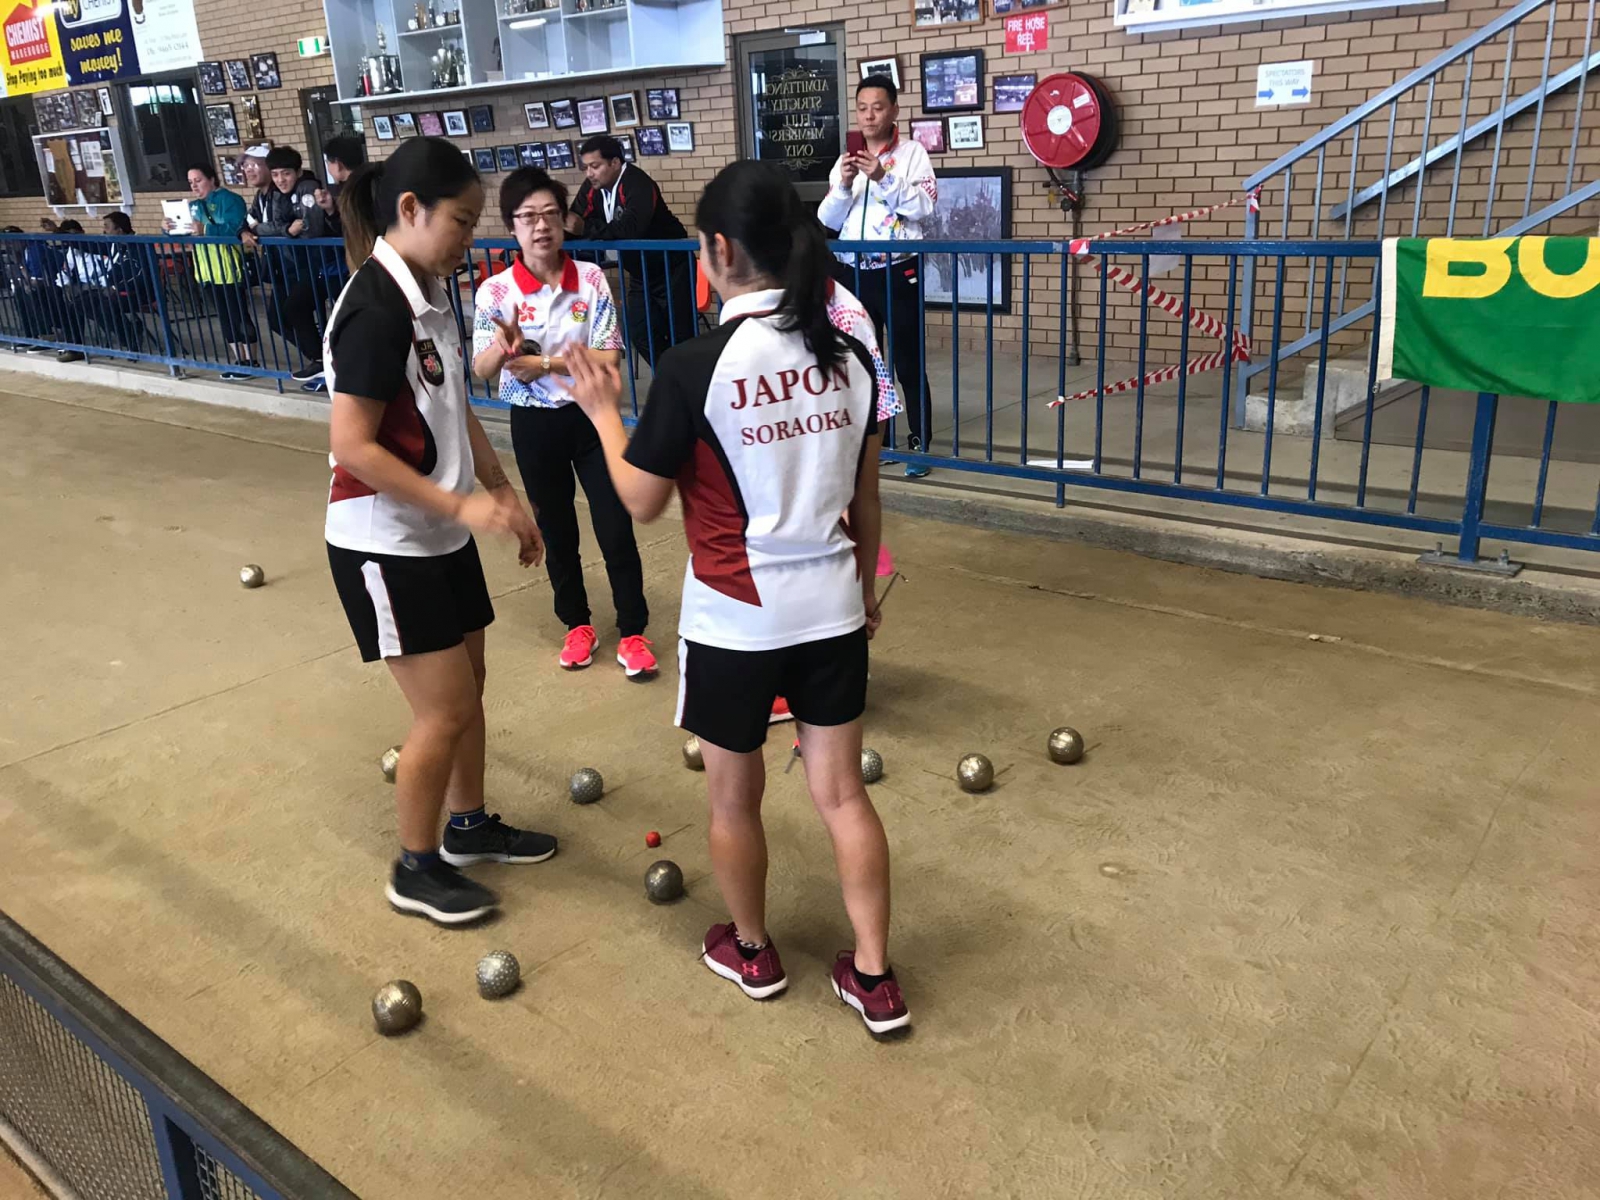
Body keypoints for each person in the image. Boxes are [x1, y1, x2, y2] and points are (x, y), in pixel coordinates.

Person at [567, 160, 910, 1035]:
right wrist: (862, 592)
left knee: (733, 799)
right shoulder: (852, 357)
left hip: (735, 620)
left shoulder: (694, 367)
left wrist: (602, 411)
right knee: (844, 797)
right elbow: (867, 499)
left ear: (719, 250)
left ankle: (753, 951)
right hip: (832, 610)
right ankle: (875, 978)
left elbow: (641, 502)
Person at [326, 136, 555, 926]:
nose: (469, 238)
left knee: (470, 691)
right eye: (461, 221)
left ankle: (469, 826)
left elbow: (451, 408)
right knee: (444, 711)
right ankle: (415, 868)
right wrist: (461, 508)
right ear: (410, 210)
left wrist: (501, 492)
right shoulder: (373, 309)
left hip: (438, 534)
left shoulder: (430, 295)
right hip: (383, 541)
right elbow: (352, 446)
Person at [472, 166, 656, 679]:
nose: (541, 226)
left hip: (591, 417)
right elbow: (482, 369)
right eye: (528, 216)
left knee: (615, 526)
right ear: (511, 225)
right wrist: (503, 347)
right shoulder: (495, 293)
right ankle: (576, 624)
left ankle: (634, 631)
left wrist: (546, 363)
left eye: (551, 214)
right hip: (534, 424)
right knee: (557, 530)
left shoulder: (590, 280)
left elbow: (609, 356)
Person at [817, 74, 938, 479]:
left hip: (899, 269)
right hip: (853, 271)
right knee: (864, 360)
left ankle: (920, 444)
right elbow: (828, 220)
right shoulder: (845, 161)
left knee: (907, 360)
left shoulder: (912, 154)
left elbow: (924, 208)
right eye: (863, 108)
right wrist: (844, 185)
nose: (869, 116)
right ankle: (878, 441)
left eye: (878, 107)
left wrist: (883, 177)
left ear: (894, 111)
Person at [567, 134, 695, 368]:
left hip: (672, 266)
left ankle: (687, 380)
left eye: (595, 166)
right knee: (639, 332)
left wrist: (585, 228)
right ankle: (671, 375)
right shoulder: (592, 187)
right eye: (586, 168)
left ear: (615, 162)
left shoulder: (638, 182)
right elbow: (573, 220)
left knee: (681, 334)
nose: (589, 173)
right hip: (640, 271)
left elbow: (632, 228)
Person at [166, 163, 260, 379]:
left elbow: (237, 227)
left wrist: (206, 229)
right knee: (224, 317)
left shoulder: (230, 200)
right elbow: (182, 232)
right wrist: (168, 227)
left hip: (230, 267)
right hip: (206, 270)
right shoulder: (193, 206)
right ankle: (239, 360)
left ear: (212, 179)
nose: (194, 186)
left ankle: (252, 360)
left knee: (238, 314)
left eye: (198, 181)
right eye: (191, 182)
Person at [254, 145, 329, 384]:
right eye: (275, 174)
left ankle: (323, 360)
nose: (280, 180)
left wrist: (282, 230)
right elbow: (268, 226)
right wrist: (287, 230)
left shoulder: (307, 187)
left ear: (297, 172)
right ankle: (322, 358)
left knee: (295, 308)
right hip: (289, 266)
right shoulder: (275, 194)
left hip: (317, 265)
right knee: (277, 318)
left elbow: (311, 229)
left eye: (286, 173)